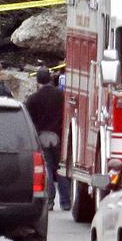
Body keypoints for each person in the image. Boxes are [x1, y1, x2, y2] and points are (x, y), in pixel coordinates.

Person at [25, 67, 72, 210]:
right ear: (50, 79)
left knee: (48, 170)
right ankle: (66, 202)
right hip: (58, 136)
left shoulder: (33, 99)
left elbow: (29, 120)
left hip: (42, 136)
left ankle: (50, 202)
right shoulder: (61, 95)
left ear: (37, 80)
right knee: (60, 169)